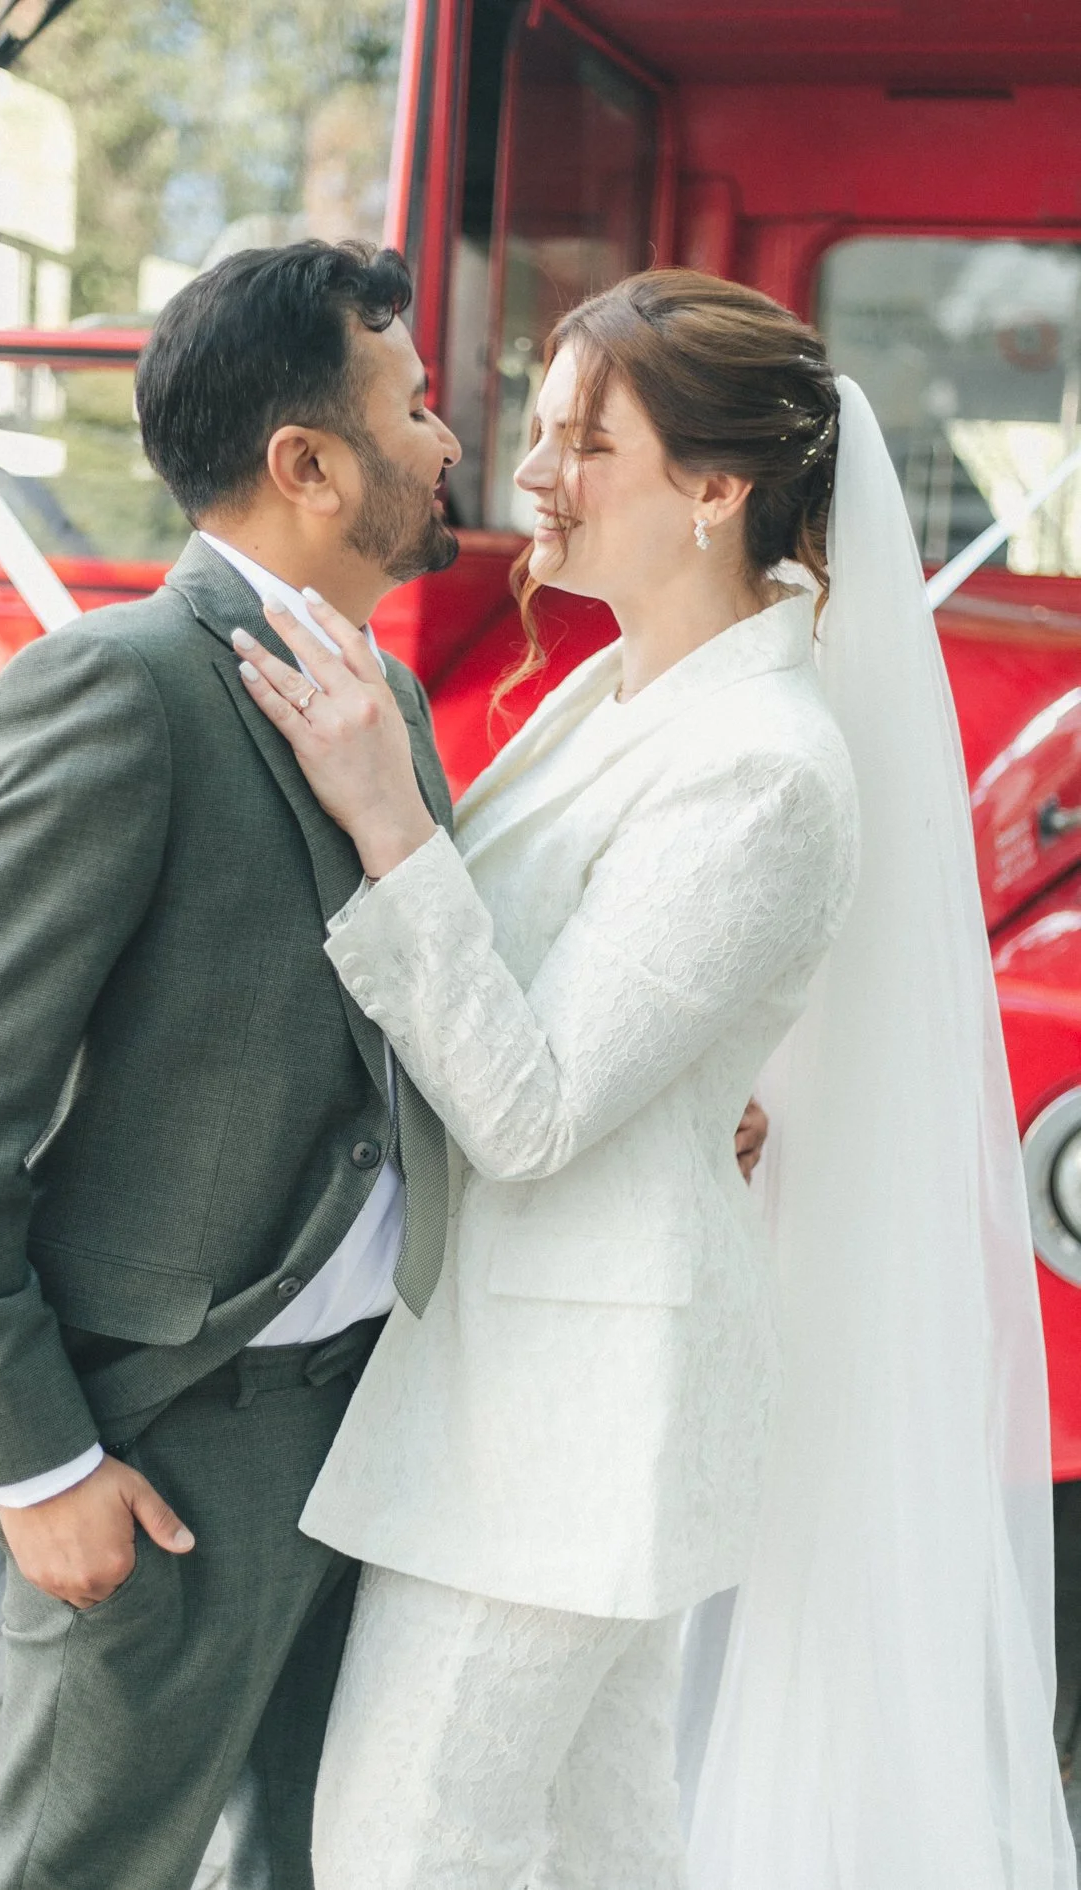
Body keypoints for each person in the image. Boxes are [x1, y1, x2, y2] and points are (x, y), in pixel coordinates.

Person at [0, 236, 774, 1890]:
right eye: (416, 407)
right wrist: (39, 1465)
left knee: (319, 1862)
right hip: (170, 1451)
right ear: (308, 464)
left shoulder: (391, 697)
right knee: (91, 1865)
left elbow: (414, 1013)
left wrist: (682, 1100)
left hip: (380, 1428)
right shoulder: (117, 693)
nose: (450, 444)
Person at [236, 270, 1076, 1888]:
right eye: (536, 427)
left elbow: (535, 1109)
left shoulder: (765, 770)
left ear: (715, 488)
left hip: (580, 1405)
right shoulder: (610, 689)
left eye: (582, 440)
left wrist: (386, 818)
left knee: (407, 1837)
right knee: (600, 1841)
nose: (529, 471)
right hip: (532, 1373)